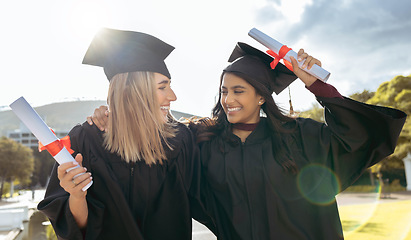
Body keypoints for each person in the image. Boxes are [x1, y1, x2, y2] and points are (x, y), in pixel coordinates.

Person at [90, 41, 407, 239]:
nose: (228, 99)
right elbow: (154, 141)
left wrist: (317, 86)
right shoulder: (204, 142)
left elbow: (361, 136)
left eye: (238, 91)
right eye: (224, 91)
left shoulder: (299, 137)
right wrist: (113, 115)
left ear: (261, 97)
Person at [38, 28, 212, 240]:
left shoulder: (179, 140)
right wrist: (76, 195)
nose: (173, 96)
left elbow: (219, 203)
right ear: (133, 91)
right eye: (162, 87)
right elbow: (77, 230)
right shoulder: (86, 140)